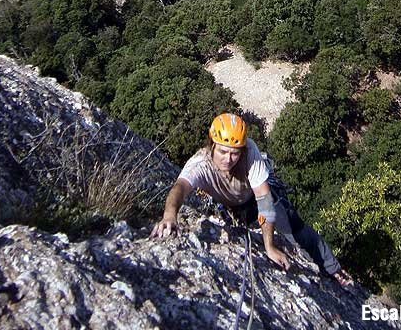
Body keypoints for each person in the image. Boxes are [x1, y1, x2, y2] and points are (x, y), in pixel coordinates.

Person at [151, 112, 352, 285]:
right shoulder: (200, 165)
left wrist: (269, 246)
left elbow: (264, 200)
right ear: (211, 144)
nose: (228, 159)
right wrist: (170, 215)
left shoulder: (250, 152)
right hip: (230, 207)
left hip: (254, 199)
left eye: (234, 153)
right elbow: (180, 188)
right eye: (222, 151)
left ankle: (332, 268)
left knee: (293, 226)